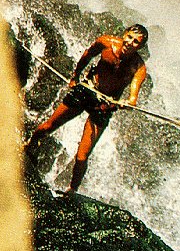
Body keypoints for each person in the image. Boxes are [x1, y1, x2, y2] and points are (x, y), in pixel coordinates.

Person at [26, 24, 149, 194]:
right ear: (124, 34)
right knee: (48, 127)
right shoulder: (106, 42)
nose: (130, 42)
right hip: (86, 89)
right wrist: (75, 76)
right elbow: (87, 55)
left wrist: (128, 102)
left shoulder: (139, 68)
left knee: (82, 156)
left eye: (136, 42)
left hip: (104, 105)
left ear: (140, 47)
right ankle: (29, 146)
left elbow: (133, 96)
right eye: (129, 37)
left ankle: (72, 190)